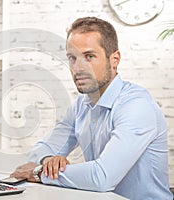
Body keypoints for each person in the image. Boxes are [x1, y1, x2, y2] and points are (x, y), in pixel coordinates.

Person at [11, 17, 173, 200]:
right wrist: (48, 161)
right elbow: (41, 148)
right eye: (72, 58)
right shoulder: (82, 104)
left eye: (89, 56)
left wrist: (39, 173)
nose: (78, 68)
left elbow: (102, 176)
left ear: (114, 59)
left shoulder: (136, 106)